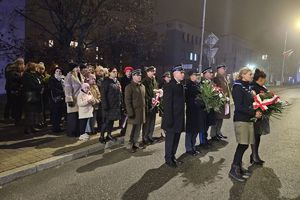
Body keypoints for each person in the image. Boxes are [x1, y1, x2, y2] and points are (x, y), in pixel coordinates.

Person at [229, 67, 262, 182]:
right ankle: (234, 169)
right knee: (242, 144)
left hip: (248, 119)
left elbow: (250, 103)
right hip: (241, 119)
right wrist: (253, 112)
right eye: (249, 74)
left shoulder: (247, 87)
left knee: (245, 144)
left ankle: (238, 166)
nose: (251, 76)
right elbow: (239, 107)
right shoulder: (237, 87)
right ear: (242, 75)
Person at [162, 65, 185, 168]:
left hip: (179, 118)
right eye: (181, 72)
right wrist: (168, 120)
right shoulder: (169, 86)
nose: (183, 74)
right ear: (175, 73)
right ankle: (168, 159)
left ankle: (173, 156)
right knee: (170, 140)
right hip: (172, 118)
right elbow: (167, 105)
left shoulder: (180, 85)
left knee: (176, 139)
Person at [124, 69, 146, 153]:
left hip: (141, 112)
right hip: (133, 112)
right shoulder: (129, 87)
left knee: (138, 129)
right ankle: (129, 145)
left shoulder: (142, 86)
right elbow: (127, 101)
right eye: (137, 75)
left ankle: (136, 143)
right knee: (131, 130)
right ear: (133, 76)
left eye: (140, 75)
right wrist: (130, 112)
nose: (139, 76)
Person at [251, 68, 269, 165]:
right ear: (260, 79)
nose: (265, 81)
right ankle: (254, 156)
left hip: (261, 116)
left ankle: (254, 155)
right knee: (255, 136)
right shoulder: (253, 87)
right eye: (264, 79)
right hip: (255, 116)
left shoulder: (262, 87)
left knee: (258, 136)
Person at [99, 67, 122, 143]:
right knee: (106, 122)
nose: (115, 73)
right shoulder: (106, 82)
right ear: (109, 73)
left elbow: (120, 93)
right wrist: (105, 106)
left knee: (112, 121)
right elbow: (103, 95)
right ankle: (101, 137)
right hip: (108, 106)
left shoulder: (117, 82)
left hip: (115, 105)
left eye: (116, 71)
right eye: (113, 71)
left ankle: (109, 135)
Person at [185, 70, 203, 156]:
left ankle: (193, 146)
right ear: (190, 76)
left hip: (197, 110)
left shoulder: (197, 84)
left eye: (195, 75)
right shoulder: (187, 85)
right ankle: (189, 148)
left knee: (195, 129)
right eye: (192, 75)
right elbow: (188, 98)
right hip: (191, 110)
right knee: (190, 130)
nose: (194, 77)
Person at [22, 62, 44, 135]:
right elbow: (31, 85)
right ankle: (27, 129)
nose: (37, 68)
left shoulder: (34, 75)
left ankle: (32, 127)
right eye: (36, 67)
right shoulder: (27, 75)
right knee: (29, 113)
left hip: (36, 95)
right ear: (32, 67)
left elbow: (39, 82)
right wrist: (40, 87)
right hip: (30, 96)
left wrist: (40, 86)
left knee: (33, 113)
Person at [211, 64, 231, 141]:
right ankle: (213, 135)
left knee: (221, 118)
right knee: (217, 118)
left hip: (224, 101)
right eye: (222, 69)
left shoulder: (223, 78)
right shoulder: (216, 78)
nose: (223, 70)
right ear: (218, 70)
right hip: (219, 102)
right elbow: (215, 89)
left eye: (224, 69)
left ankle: (218, 132)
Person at [64, 63, 84, 137]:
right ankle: (71, 133)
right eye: (77, 67)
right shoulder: (69, 76)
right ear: (73, 68)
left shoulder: (80, 76)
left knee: (78, 117)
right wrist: (69, 99)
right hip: (73, 100)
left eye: (78, 67)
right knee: (72, 117)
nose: (78, 68)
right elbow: (67, 88)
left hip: (79, 99)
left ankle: (77, 132)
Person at [199, 66, 216, 148]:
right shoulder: (201, 83)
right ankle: (202, 142)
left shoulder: (212, 83)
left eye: (212, 73)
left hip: (210, 108)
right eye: (209, 73)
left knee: (207, 125)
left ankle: (205, 140)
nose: (211, 74)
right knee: (203, 125)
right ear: (204, 74)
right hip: (203, 109)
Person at [5, 59, 25, 125]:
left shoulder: (15, 70)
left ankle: (15, 118)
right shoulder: (11, 70)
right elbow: (14, 79)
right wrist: (21, 75)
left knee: (16, 104)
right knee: (15, 104)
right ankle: (14, 119)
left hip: (15, 89)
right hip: (14, 89)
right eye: (22, 64)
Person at [142, 66, 159, 145]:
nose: (153, 73)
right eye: (152, 71)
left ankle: (150, 136)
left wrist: (156, 97)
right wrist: (150, 100)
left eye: (154, 71)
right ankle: (145, 138)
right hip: (148, 105)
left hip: (154, 104)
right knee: (147, 123)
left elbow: (156, 90)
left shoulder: (154, 80)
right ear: (147, 72)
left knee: (152, 122)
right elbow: (144, 94)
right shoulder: (144, 81)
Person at [48, 67, 66, 133]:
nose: (59, 72)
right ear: (54, 72)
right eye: (57, 71)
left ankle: (58, 126)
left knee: (59, 113)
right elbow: (53, 89)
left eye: (60, 71)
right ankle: (55, 128)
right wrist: (62, 92)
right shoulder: (52, 79)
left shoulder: (62, 79)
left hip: (61, 99)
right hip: (55, 99)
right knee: (55, 113)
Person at [119, 66, 134, 135]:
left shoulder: (132, 79)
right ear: (125, 72)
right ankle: (122, 129)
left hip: (132, 99)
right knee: (124, 115)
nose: (129, 73)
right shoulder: (122, 80)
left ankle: (128, 129)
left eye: (130, 72)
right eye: (127, 71)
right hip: (125, 98)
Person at [95, 65, 105, 131]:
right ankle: (99, 127)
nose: (100, 72)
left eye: (101, 71)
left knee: (103, 114)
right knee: (99, 114)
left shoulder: (105, 79)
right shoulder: (95, 79)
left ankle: (103, 127)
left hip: (104, 99)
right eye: (99, 71)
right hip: (98, 99)